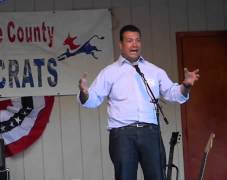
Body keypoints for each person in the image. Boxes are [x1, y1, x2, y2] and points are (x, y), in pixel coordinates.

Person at [77, 25, 199, 180]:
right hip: (122, 135)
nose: (134, 44)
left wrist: (186, 86)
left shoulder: (154, 70)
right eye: (129, 41)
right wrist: (85, 93)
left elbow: (173, 93)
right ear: (121, 45)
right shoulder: (109, 72)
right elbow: (93, 100)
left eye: (137, 41)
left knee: (157, 176)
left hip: (150, 133)